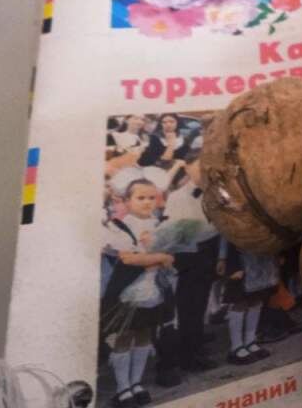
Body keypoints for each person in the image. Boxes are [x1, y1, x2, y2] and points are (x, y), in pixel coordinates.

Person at [101, 179, 174, 408]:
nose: (146, 202)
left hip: (153, 289)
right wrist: (160, 257)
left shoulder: (158, 224)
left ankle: (136, 383)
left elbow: (171, 255)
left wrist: (160, 255)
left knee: (145, 334)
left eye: (151, 198)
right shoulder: (120, 226)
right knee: (124, 336)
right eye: (140, 198)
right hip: (129, 291)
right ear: (126, 201)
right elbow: (128, 258)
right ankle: (123, 388)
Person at [161, 149, 220, 373]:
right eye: (199, 166)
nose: (204, 171)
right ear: (186, 167)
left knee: (201, 302)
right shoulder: (177, 197)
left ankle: (196, 343)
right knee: (188, 307)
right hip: (189, 255)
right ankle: (189, 357)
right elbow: (179, 231)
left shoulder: (213, 192)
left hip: (208, 251)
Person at [218, 240, 278, 365]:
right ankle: (236, 347)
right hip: (236, 255)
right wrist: (222, 257)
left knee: (256, 299)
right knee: (239, 301)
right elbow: (224, 235)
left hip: (257, 254)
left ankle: (250, 341)